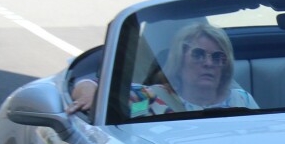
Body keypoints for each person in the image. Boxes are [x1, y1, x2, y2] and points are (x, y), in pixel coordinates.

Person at [68, 22, 257, 115]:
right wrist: (89, 93)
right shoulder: (148, 98)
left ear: (225, 66)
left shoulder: (242, 100)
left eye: (218, 57)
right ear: (179, 60)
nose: (208, 63)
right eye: (198, 54)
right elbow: (87, 84)